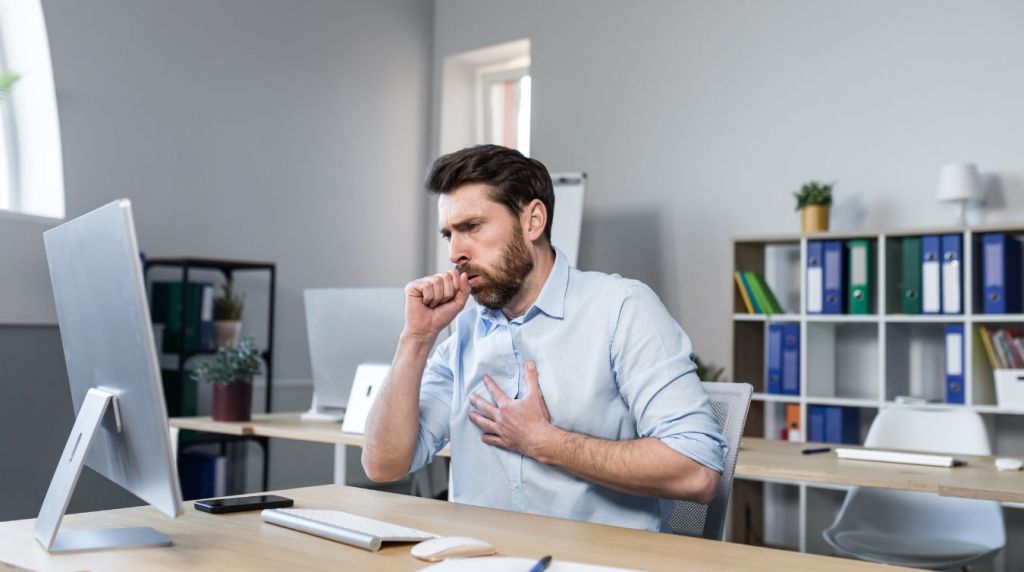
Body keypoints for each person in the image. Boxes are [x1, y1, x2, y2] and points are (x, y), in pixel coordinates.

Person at [362, 144, 726, 531]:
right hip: (481, 559)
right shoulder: (463, 333)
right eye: (448, 234)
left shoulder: (620, 309)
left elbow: (696, 471)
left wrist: (544, 442)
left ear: (533, 221)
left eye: (471, 227)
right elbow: (384, 465)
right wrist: (416, 338)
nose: (455, 252)